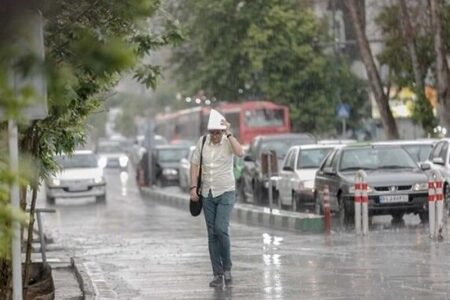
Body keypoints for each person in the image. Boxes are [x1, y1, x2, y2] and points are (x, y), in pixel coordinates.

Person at [190, 109, 243, 288]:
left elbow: (240, 152)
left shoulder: (228, 142)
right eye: (212, 132)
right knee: (212, 234)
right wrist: (193, 187)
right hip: (207, 193)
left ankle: (227, 267)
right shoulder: (203, 142)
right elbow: (194, 164)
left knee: (221, 229)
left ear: (222, 131)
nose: (215, 136)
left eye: (218, 132)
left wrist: (229, 132)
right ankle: (217, 274)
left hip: (226, 191)